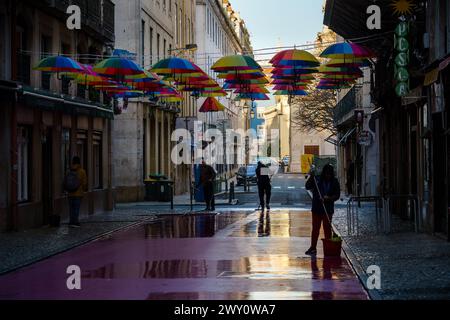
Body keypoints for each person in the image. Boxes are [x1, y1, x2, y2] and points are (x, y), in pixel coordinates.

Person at [305, 164, 340, 256]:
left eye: (329, 174)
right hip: (317, 208)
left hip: (327, 209)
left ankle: (328, 247)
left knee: (327, 229)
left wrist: (328, 198)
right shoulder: (317, 179)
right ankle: (313, 247)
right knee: (315, 229)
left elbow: (337, 195)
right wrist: (311, 177)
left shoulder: (335, 181)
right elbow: (307, 186)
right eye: (326, 174)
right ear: (324, 173)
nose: (328, 176)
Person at [68, 156, 87, 228]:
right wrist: (83, 189)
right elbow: (84, 183)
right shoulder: (82, 171)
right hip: (78, 193)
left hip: (70, 193)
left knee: (71, 208)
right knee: (76, 208)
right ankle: (75, 222)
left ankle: (71, 221)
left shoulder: (70, 170)